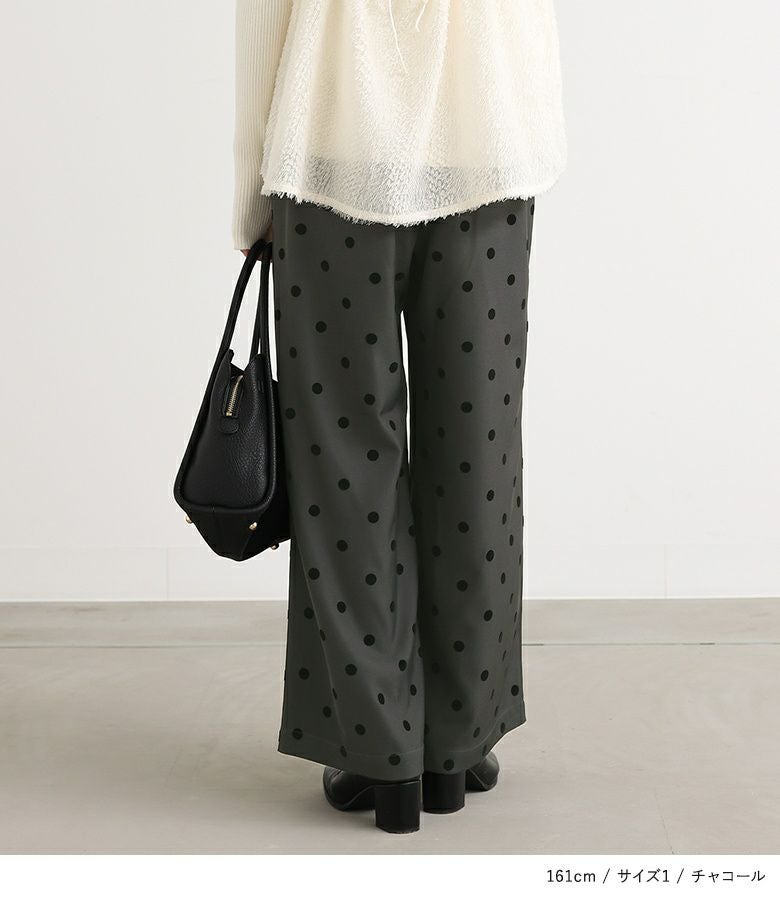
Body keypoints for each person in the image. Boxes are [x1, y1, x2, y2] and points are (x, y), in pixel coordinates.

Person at [232, 0, 566, 834]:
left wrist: (251, 193)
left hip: (330, 148)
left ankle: (379, 752)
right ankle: (457, 742)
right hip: (488, 145)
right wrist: (533, 128)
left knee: (345, 459)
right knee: (478, 450)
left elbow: (264, 16)